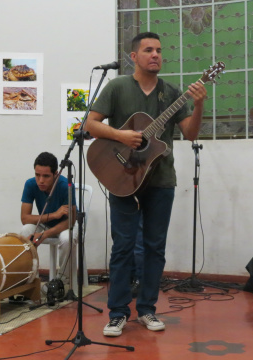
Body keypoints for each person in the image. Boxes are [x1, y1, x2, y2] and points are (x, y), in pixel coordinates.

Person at [85, 31, 207, 337]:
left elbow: (190, 134)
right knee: (123, 246)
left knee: (155, 247)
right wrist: (121, 136)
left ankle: (148, 310)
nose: (155, 55)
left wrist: (199, 105)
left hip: (161, 178)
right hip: (122, 175)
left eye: (159, 51)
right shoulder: (117, 87)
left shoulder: (172, 93)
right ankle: (117, 313)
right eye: (148, 50)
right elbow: (89, 124)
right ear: (133, 56)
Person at [19, 152, 77, 285]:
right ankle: (29, 280)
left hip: (65, 225)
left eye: (46, 176)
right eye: (37, 175)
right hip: (46, 223)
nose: (41, 180)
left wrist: (45, 234)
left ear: (56, 174)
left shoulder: (65, 186)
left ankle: (62, 282)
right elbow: (24, 218)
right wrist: (54, 215)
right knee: (25, 230)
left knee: (67, 238)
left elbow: (71, 221)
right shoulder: (30, 184)